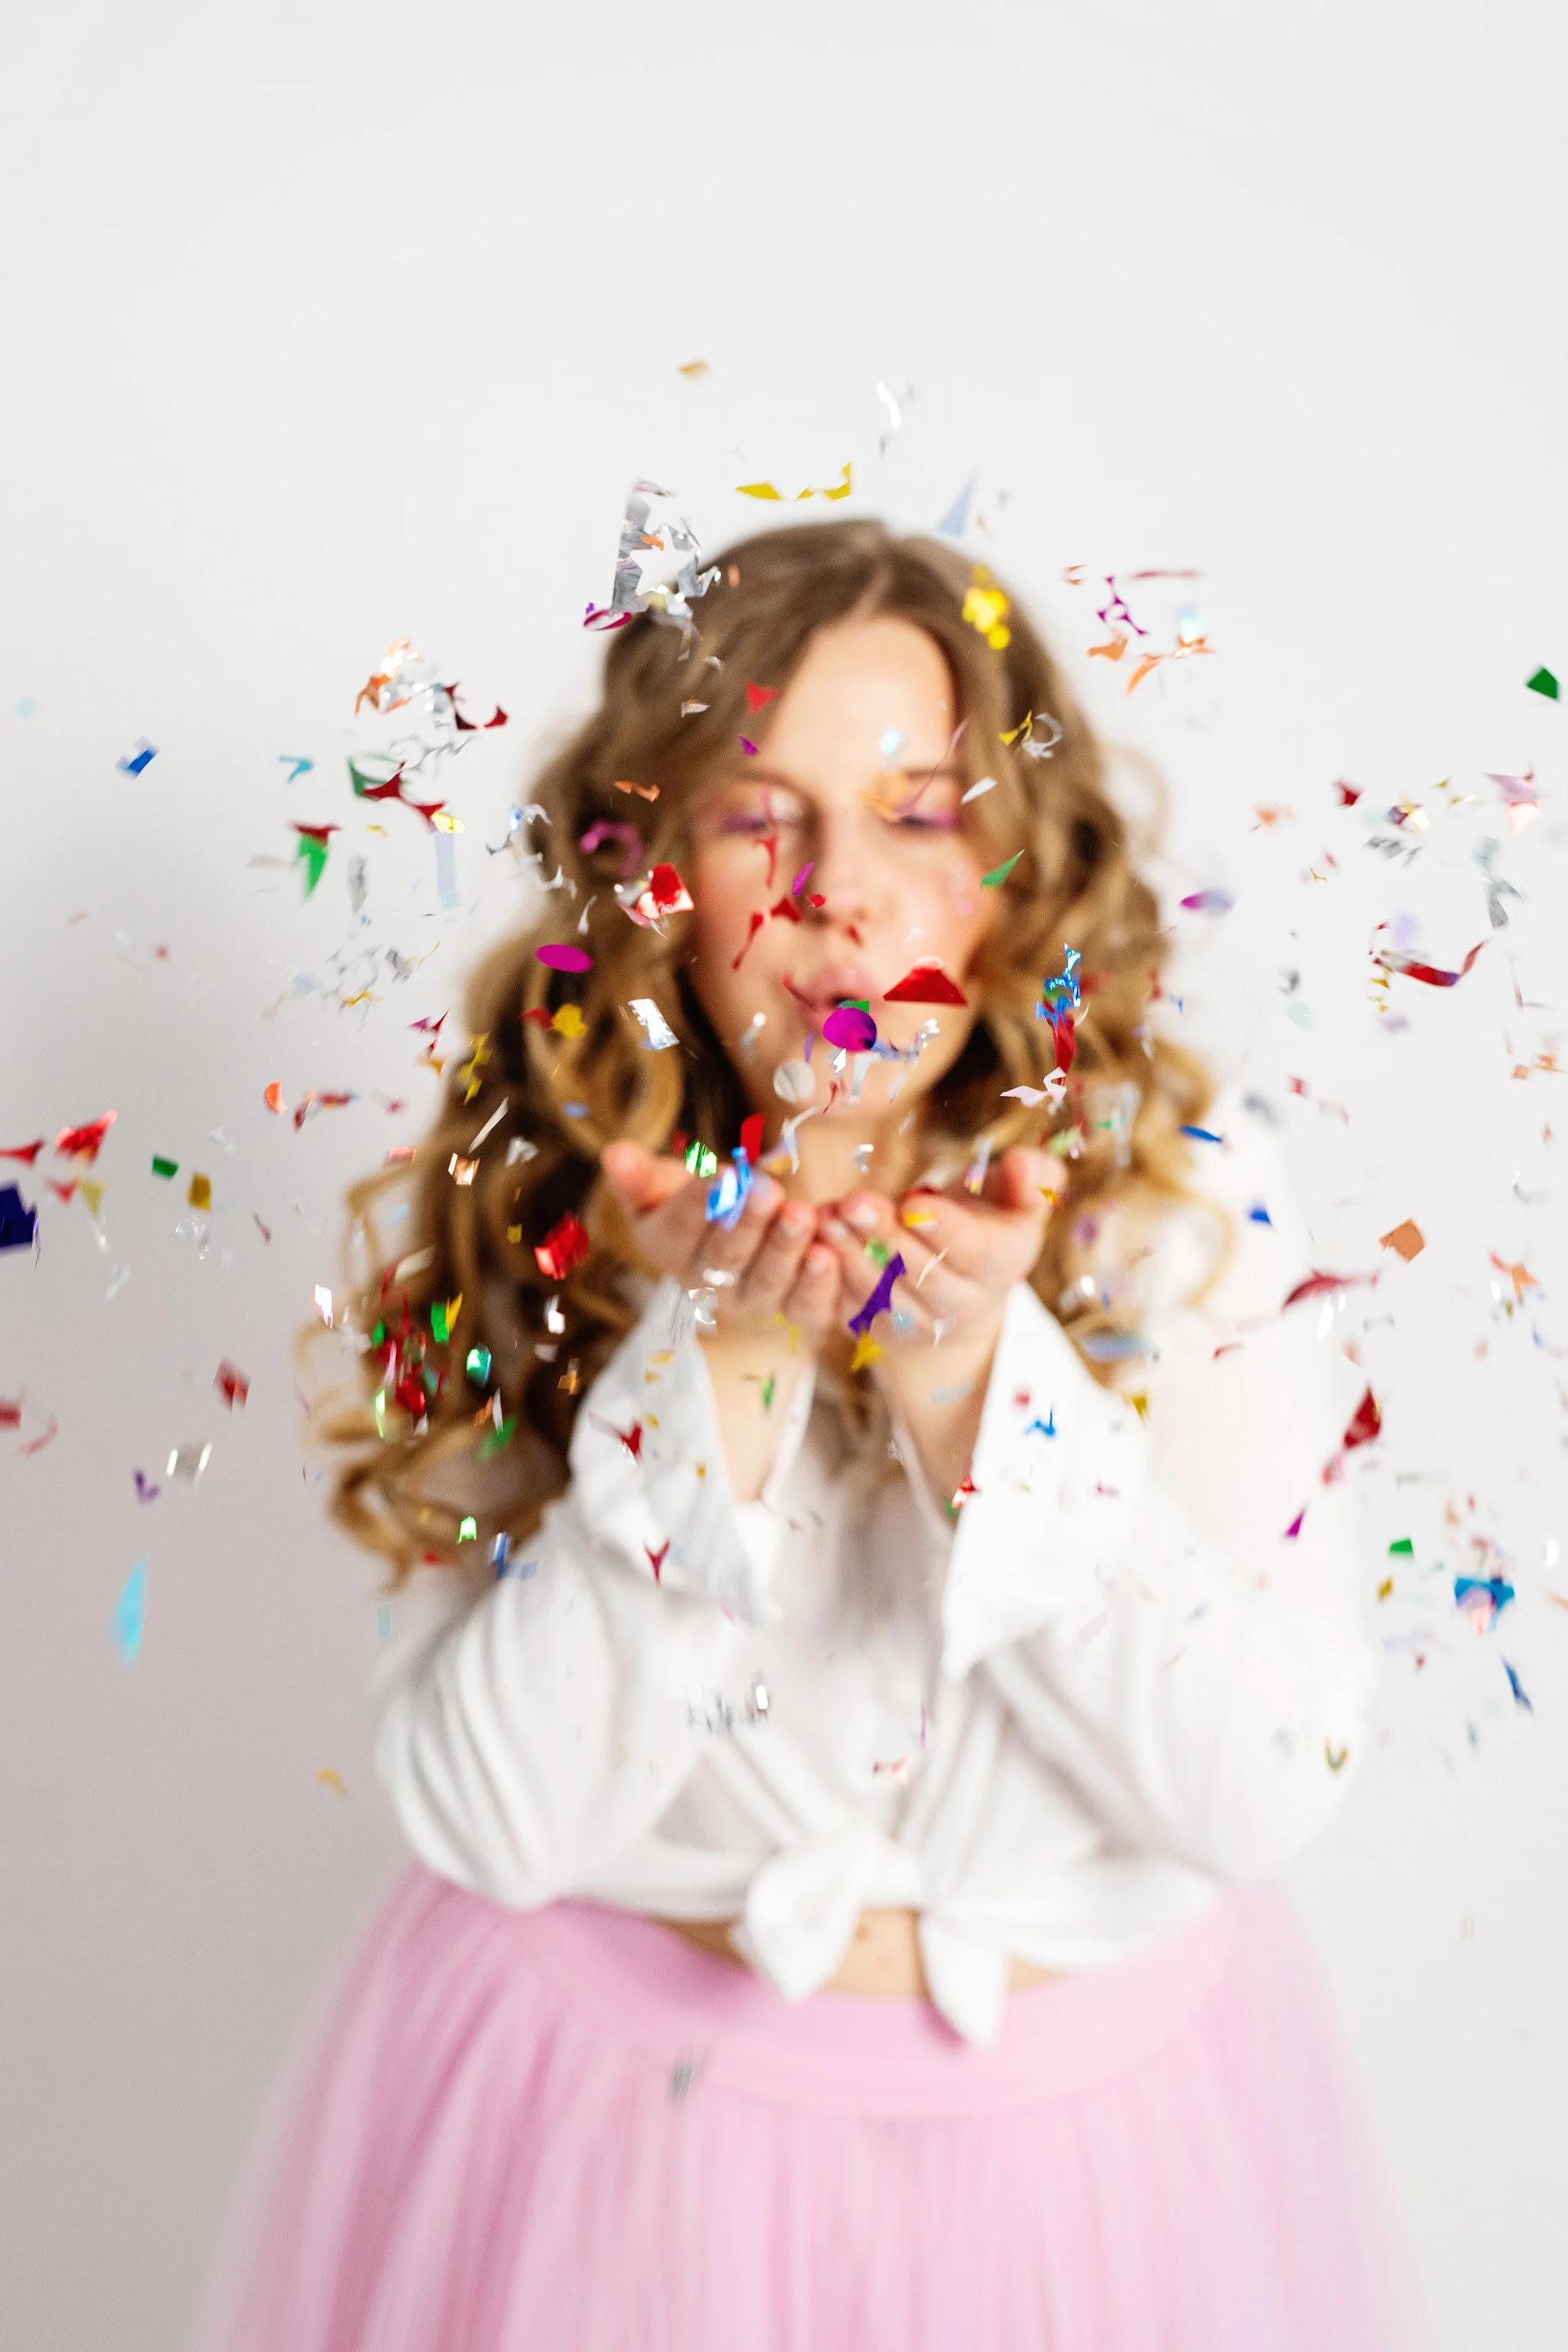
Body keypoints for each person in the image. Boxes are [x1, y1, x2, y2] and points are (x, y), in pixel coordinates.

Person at [194, 519, 1418, 2350]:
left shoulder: (1188, 1199)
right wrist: (728, 1357)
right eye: (762, 817)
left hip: (1093, 2179)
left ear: (1014, 860)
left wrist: (965, 1370)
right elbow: (492, 1819)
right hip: (617, 2163)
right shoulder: (523, 1202)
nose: (841, 893)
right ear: (654, 874)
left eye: (918, 812)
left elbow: (1258, 1788)